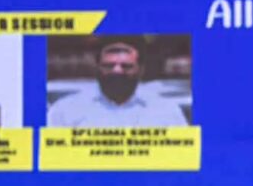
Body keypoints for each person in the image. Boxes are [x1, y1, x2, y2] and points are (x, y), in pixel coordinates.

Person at [46, 41, 189, 128]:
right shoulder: (65, 111)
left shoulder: (167, 111)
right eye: (109, 66)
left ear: (141, 70)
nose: (117, 71)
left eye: (126, 66)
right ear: (98, 68)